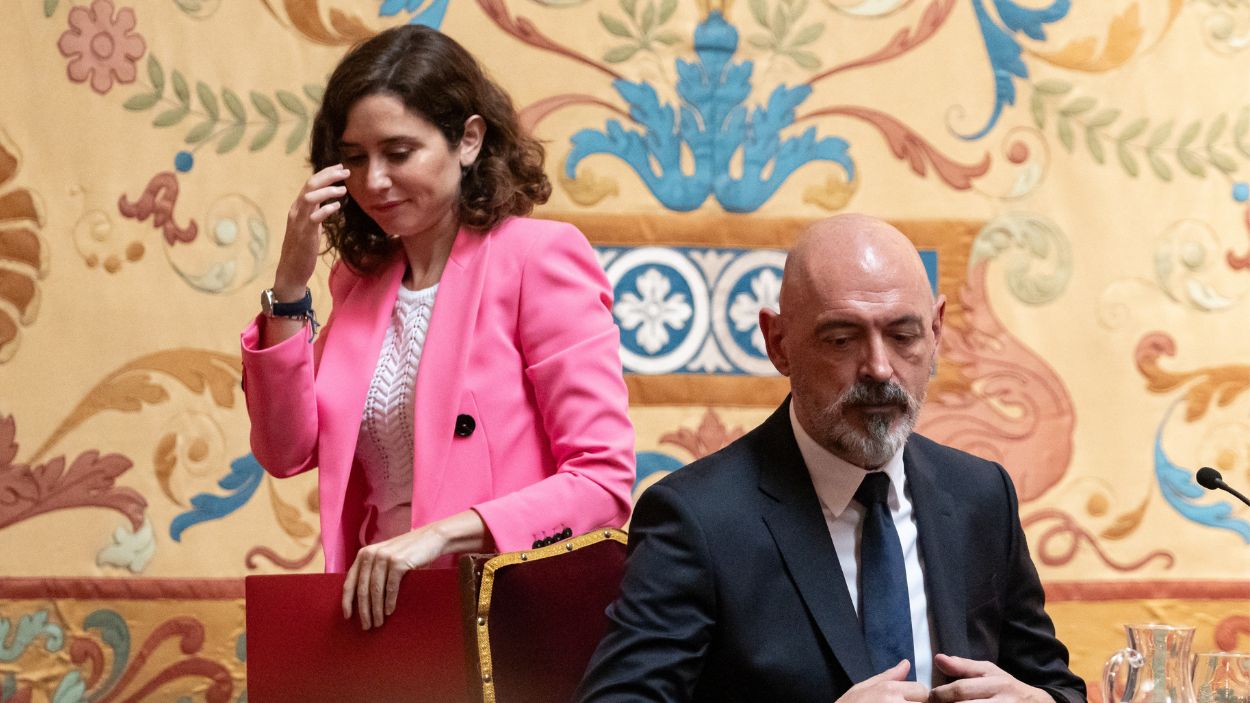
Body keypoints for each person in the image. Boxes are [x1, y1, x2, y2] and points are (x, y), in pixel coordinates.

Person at [575, 214, 1085, 703]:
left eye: (904, 336)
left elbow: (1056, 685)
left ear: (936, 333)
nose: (880, 368)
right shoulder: (697, 519)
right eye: (842, 339)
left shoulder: (981, 494)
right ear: (779, 344)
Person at [240, 25, 635, 630]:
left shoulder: (537, 258)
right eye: (353, 157)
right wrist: (290, 288)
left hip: (507, 620)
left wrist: (439, 537)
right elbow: (284, 450)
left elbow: (602, 481)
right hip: (382, 621)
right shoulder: (361, 283)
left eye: (398, 153)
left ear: (468, 141)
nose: (372, 180)